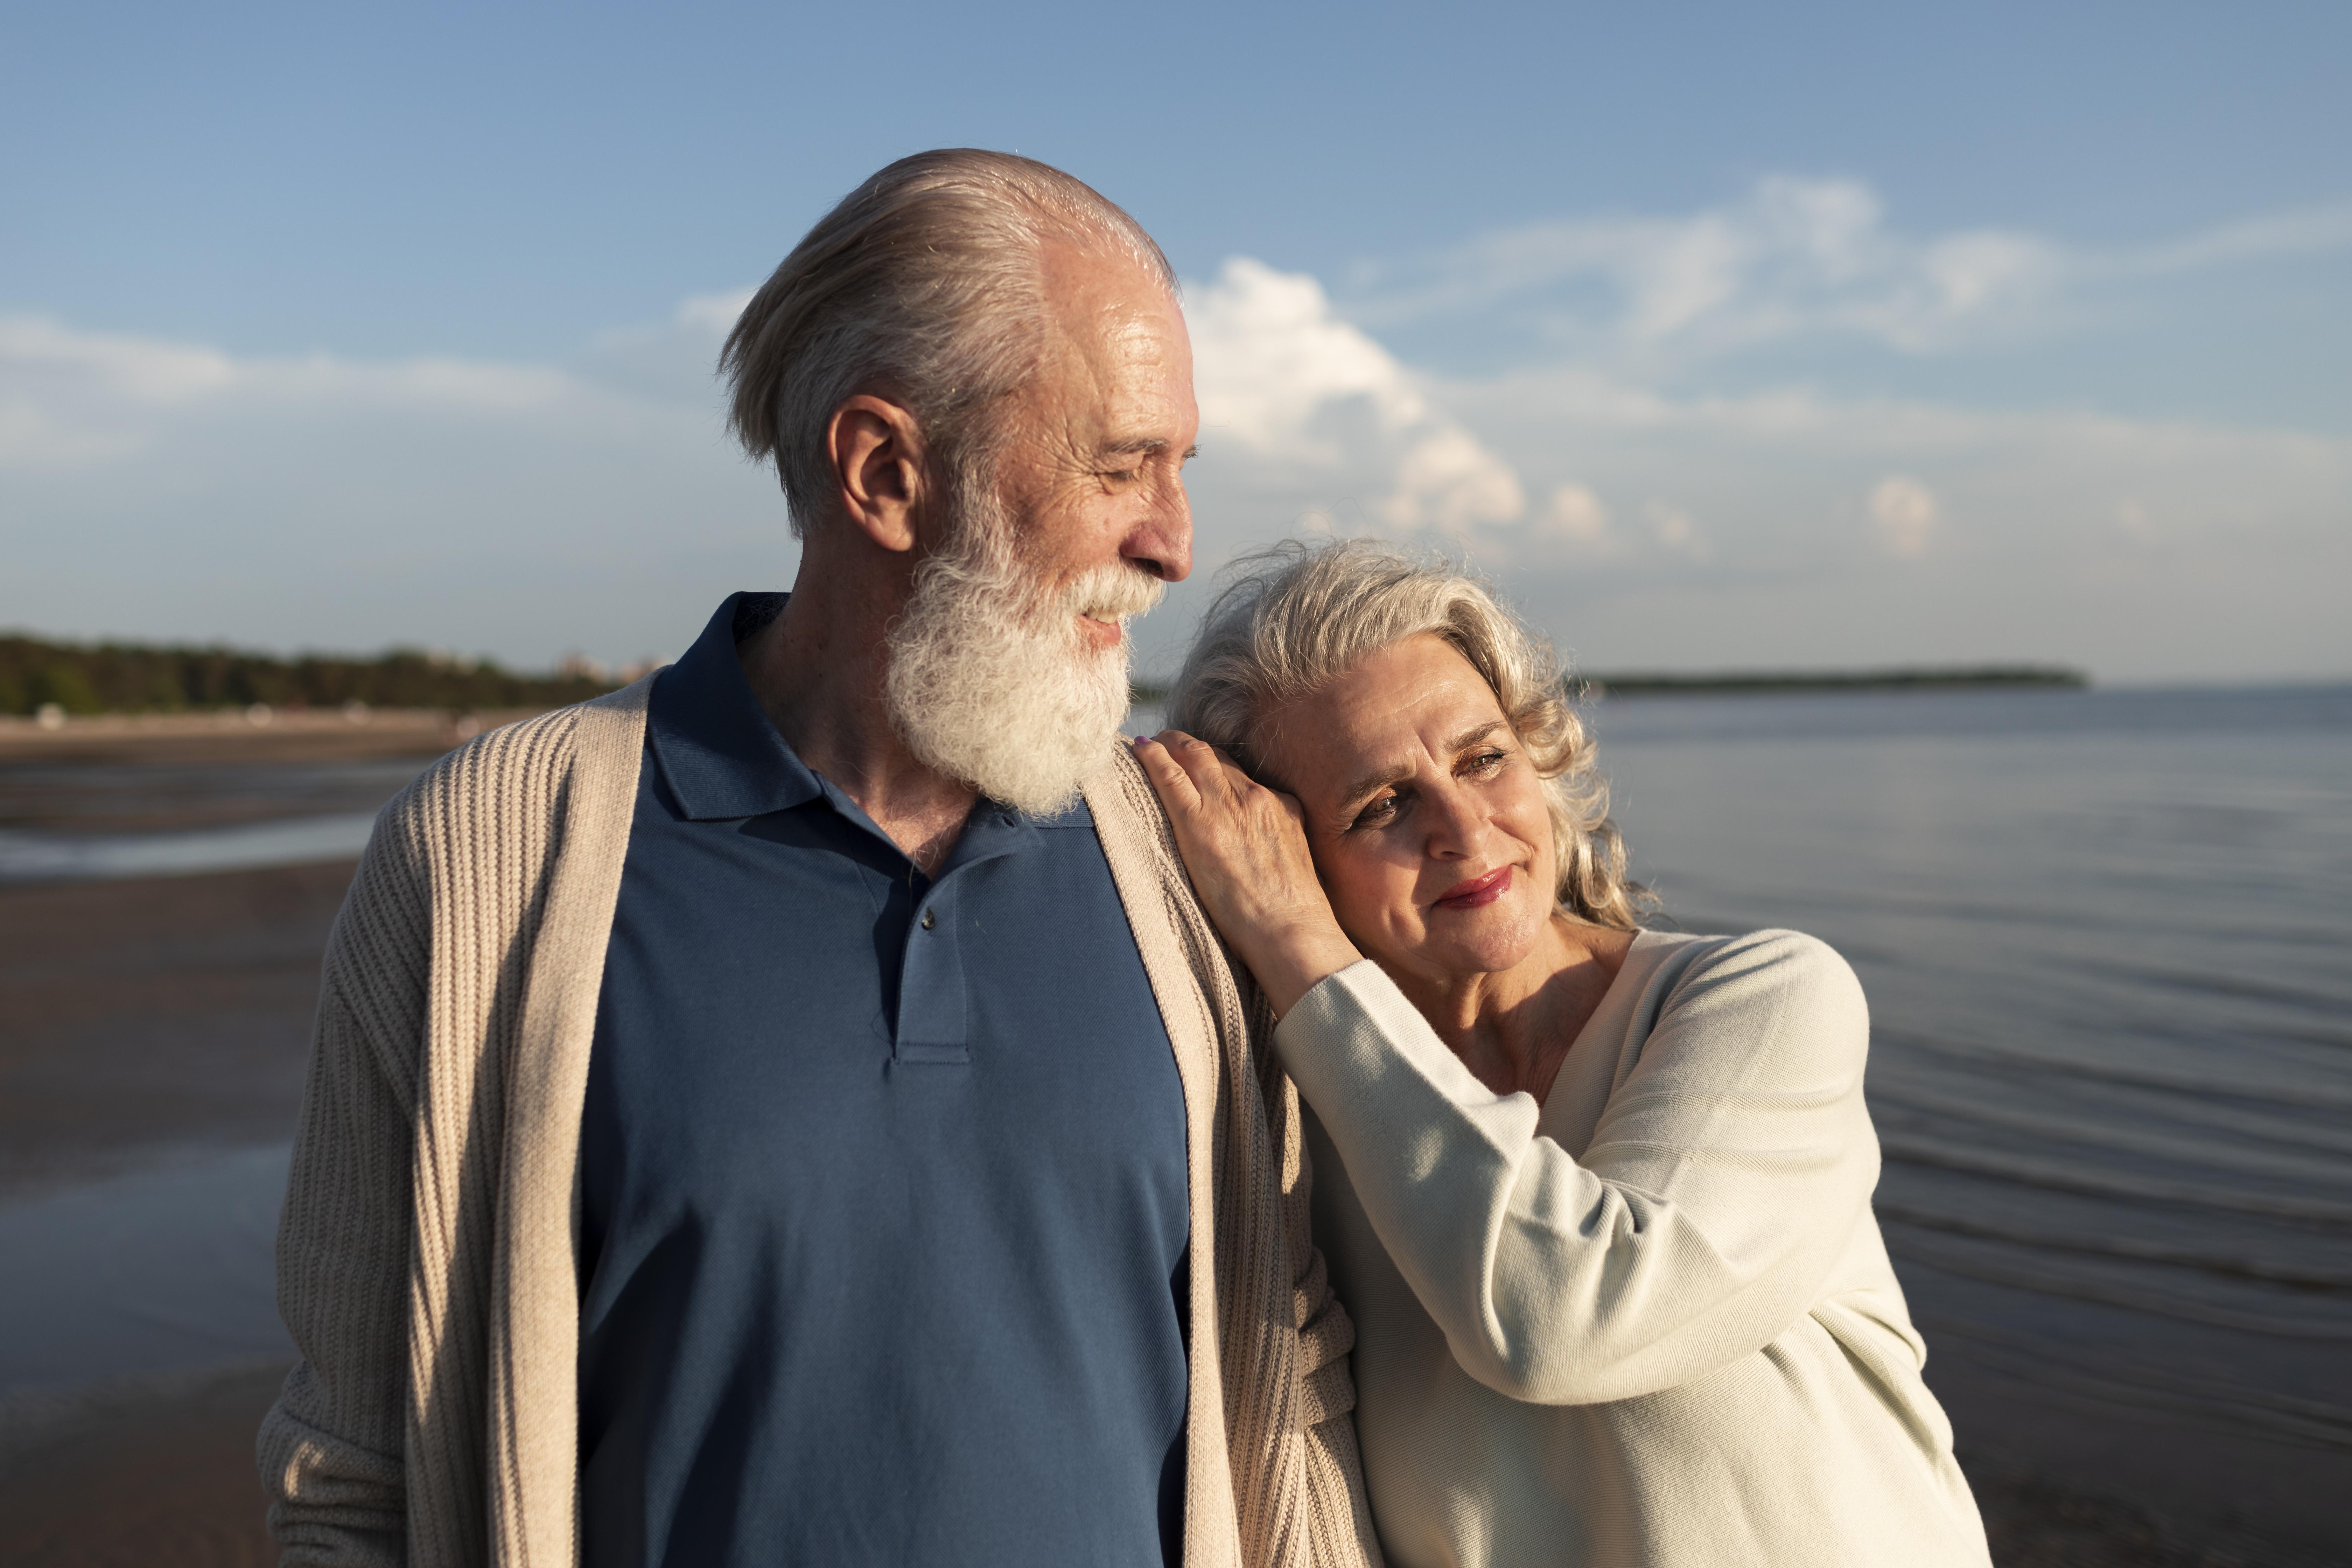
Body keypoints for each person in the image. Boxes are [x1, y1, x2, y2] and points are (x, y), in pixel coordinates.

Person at [258, 151, 1381, 1568]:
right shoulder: (488, 858)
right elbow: (355, 1472)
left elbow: (1301, 1403)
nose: (1172, 540)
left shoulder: (1199, 862)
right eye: (1117, 467)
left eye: (1179, 467)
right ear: (887, 472)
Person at [1133, 539, 1992, 1567]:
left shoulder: (1760, 1002)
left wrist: (1302, 949)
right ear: (1284, 854)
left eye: (1483, 757)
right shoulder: (1299, 1144)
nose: (1463, 827)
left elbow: (1566, 1317)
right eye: (1381, 805)